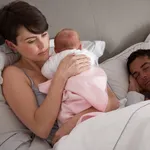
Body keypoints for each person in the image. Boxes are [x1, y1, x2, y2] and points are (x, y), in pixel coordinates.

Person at [0, 1, 95, 146]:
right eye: (31, 41)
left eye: (44, 35)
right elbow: (41, 128)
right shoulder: (14, 75)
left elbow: (111, 101)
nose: (43, 44)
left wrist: (72, 123)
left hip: (96, 124)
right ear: (12, 45)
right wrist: (61, 76)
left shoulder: (62, 55)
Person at [38, 28, 120, 126]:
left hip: (74, 90)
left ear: (56, 50)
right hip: (91, 86)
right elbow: (94, 64)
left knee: (70, 105)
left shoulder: (56, 58)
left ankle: (71, 119)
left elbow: (45, 72)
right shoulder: (87, 54)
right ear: (80, 46)